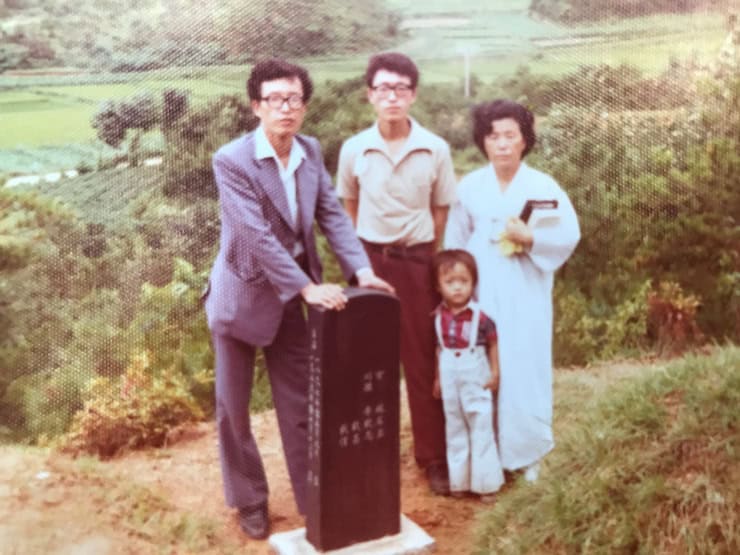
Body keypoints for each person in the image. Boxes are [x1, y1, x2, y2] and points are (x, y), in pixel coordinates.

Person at [203, 58, 393, 540]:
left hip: (290, 302)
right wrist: (307, 287)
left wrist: (363, 271)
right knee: (233, 409)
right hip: (241, 298)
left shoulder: (309, 151)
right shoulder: (232, 160)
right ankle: (250, 500)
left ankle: (315, 497)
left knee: (302, 404)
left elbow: (331, 215)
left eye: (293, 99)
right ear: (256, 107)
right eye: (274, 100)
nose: (285, 109)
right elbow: (256, 234)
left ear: (304, 107)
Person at [336, 52, 457, 495]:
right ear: (370, 95)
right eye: (383, 89)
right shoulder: (354, 149)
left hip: (416, 263)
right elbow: (347, 207)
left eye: (401, 88)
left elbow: (440, 209)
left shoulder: (435, 148)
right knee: (364, 360)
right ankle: (365, 451)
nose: (392, 97)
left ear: (413, 95)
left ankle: (432, 457)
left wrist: (423, 253)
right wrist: (359, 263)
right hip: (368, 263)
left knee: (421, 360)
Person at [445, 99, 580, 482]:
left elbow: (568, 236)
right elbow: (454, 246)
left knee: (524, 367)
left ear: (524, 141)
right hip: (481, 293)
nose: (502, 144)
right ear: (482, 142)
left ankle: (528, 453)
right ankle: (485, 460)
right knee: (483, 370)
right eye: (493, 136)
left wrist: (532, 237)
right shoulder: (470, 186)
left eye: (510, 135)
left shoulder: (542, 187)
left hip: (526, 292)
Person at [431, 249, 504, 501]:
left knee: (481, 423)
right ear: (439, 286)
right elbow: (439, 349)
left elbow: (493, 345)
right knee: (454, 426)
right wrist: (438, 379)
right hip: (450, 373)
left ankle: (486, 484)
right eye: (450, 282)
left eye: (464, 282)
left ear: (473, 283)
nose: (457, 288)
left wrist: (495, 373)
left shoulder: (481, 318)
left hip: (476, 373)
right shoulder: (438, 317)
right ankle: (458, 482)